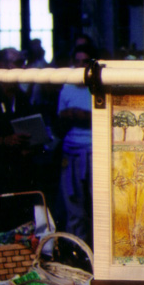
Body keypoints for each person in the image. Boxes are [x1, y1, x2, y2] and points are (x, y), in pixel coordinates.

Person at [0, 48, 38, 198]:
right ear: (2, 66)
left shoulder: (21, 96)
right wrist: (3, 140)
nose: (23, 67)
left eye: (24, 62)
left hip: (18, 170)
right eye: (19, 63)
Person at [57, 45, 94, 244]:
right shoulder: (67, 87)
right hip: (71, 150)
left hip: (92, 149)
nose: (81, 66)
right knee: (73, 204)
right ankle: (76, 247)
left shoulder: (95, 87)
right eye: (77, 62)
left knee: (95, 202)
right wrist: (68, 115)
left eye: (85, 62)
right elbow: (59, 119)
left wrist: (85, 116)